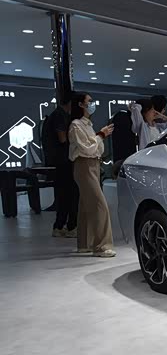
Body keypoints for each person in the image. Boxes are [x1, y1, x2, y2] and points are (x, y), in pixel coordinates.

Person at [68, 93, 116, 258]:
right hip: (84, 165)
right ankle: (102, 246)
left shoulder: (87, 125)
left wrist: (100, 137)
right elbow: (86, 149)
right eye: (89, 101)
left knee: (86, 205)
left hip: (93, 164)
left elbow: (97, 149)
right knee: (99, 204)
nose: (92, 104)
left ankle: (85, 244)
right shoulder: (76, 125)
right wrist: (100, 135)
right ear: (81, 105)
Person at [42, 95, 79, 237]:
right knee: (69, 194)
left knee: (65, 195)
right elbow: (62, 138)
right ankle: (69, 226)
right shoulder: (59, 116)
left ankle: (61, 226)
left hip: (62, 162)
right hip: (63, 162)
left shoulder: (58, 115)